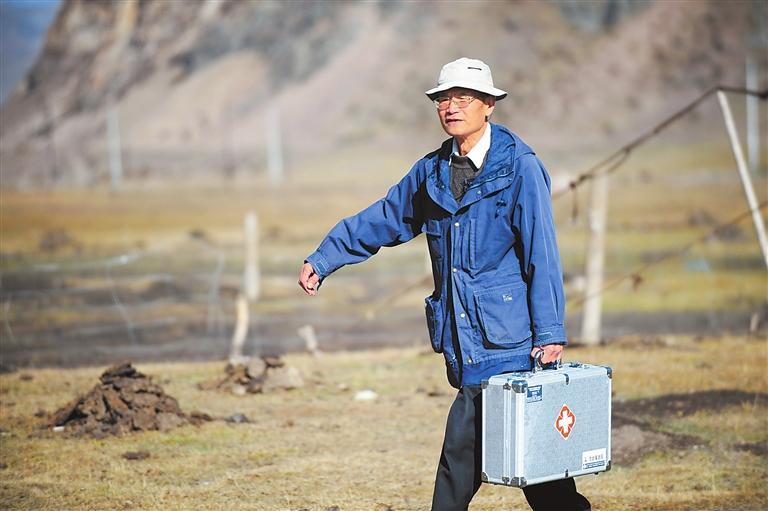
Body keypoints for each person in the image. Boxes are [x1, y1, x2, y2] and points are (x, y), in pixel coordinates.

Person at [298, 57, 591, 511]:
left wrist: (550, 333)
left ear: (489, 104)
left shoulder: (520, 168)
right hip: (464, 340)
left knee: (468, 461)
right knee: (538, 473)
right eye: (443, 99)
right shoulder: (431, 172)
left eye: (464, 98)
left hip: (510, 341)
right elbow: (386, 217)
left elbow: (542, 254)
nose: (452, 107)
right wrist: (326, 257)